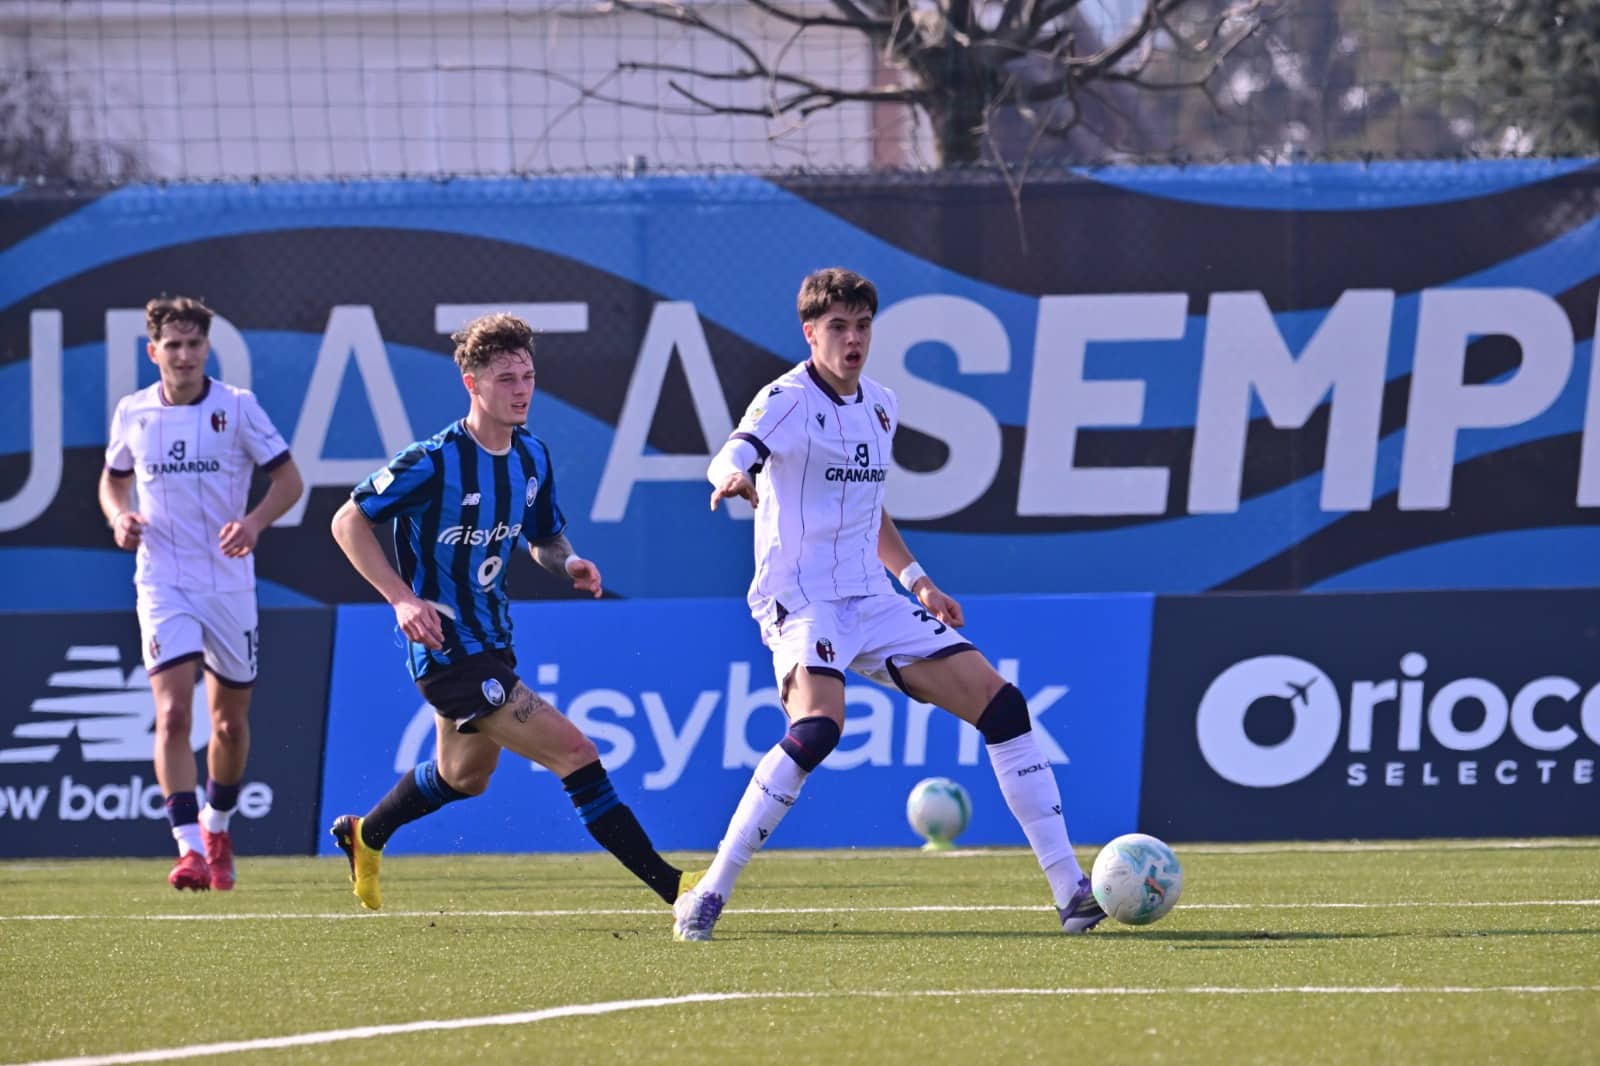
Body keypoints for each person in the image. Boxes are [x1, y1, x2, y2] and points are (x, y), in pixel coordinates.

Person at [672, 267, 1107, 941]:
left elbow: (870, 512)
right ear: (810, 332)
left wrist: (918, 580)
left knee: (1003, 704)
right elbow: (737, 448)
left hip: (872, 597)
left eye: (863, 326)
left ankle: (1071, 893)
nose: (853, 340)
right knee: (818, 729)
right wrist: (730, 475)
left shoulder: (881, 405)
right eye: (838, 327)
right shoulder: (785, 398)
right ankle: (710, 890)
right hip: (803, 598)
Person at [327, 311, 686, 912]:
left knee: (464, 776)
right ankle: (676, 889)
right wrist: (402, 599)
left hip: (493, 638)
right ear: (471, 383)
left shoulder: (533, 456)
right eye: (504, 379)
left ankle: (367, 835)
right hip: (446, 648)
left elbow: (545, 538)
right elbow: (347, 520)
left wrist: (568, 563)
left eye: (527, 376)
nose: (520, 390)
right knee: (576, 753)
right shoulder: (434, 460)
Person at [99, 296, 305, 891]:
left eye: (194, 344)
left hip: (229, 583)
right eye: (173, 345)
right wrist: (120, 518)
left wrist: (255, 523)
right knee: (170, 715)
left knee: (229, 727)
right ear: (153, 351)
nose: (184, 355)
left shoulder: (237, 408)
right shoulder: (134, 412)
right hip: (162, 579)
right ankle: (188, 848)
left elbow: (289, 480)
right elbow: (112, 484)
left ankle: (217, 824)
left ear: (206, 349)